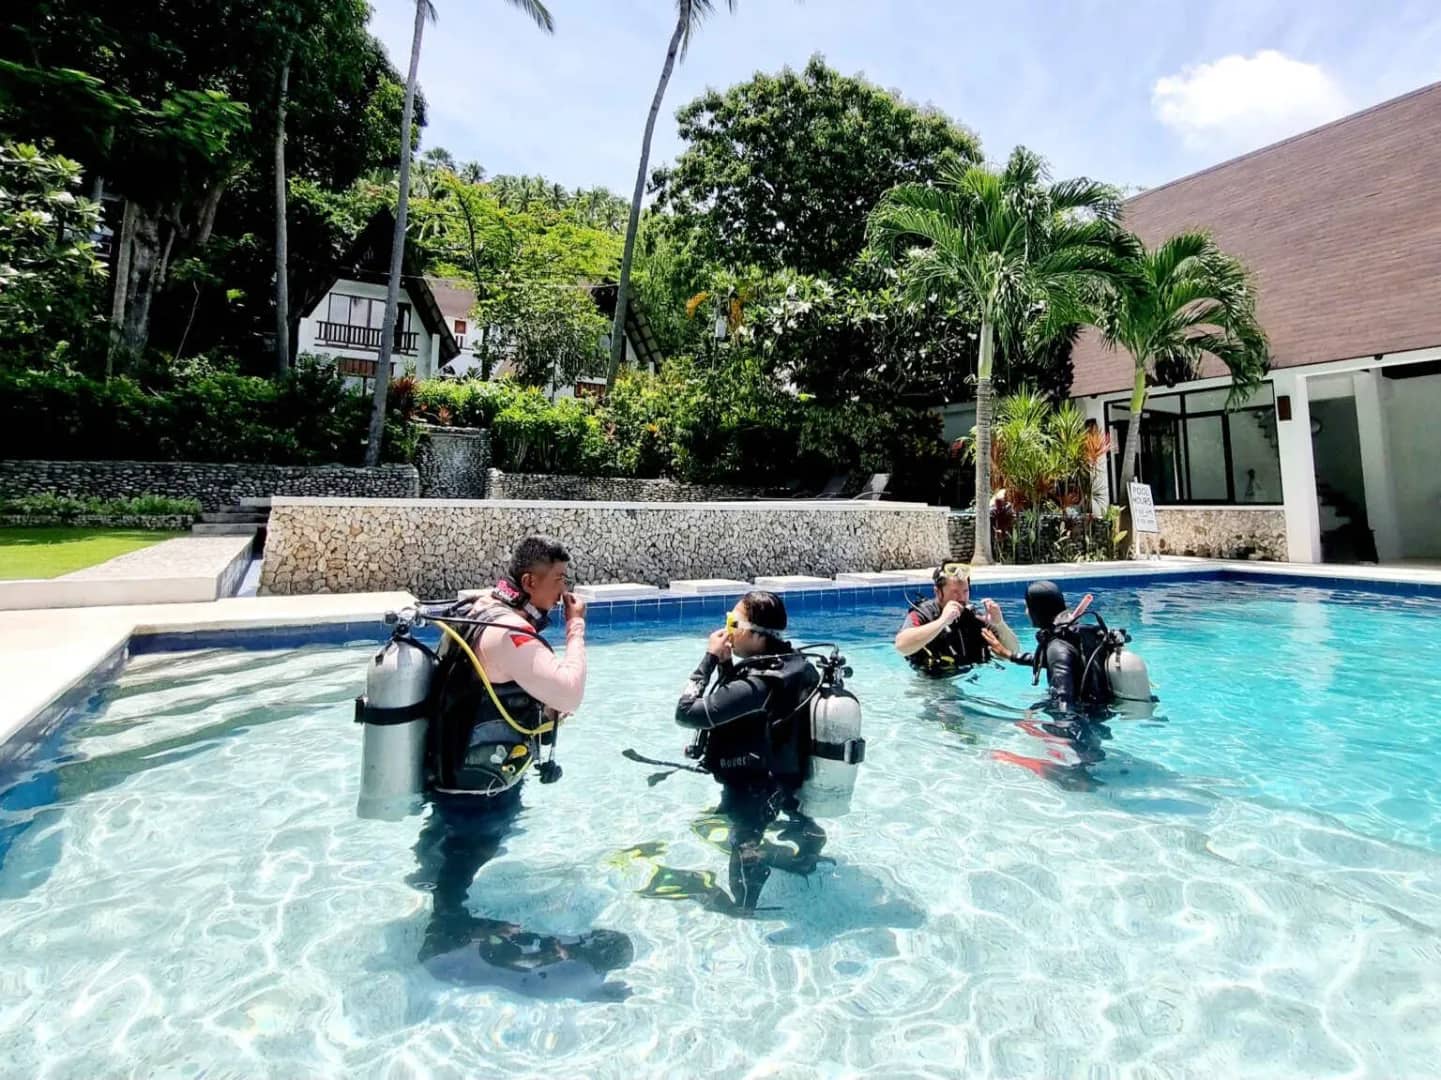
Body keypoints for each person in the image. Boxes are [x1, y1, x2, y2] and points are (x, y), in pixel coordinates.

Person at [408, 537, 632, 995]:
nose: (563, 591)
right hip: (478, 783)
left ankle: (442, 904)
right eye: (557, 582)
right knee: (471, 848)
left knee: (455, 844)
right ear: (529, 582)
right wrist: (575, 629)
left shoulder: (480, 605)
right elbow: (569, 692)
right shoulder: (511, 633)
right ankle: (444, 934)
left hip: (451, 766)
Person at [671, 591, 827, 912]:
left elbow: (686, 712)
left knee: (744, 839)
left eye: (733, 622)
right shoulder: (793, 665)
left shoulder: (758, 684)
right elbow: (745, 706)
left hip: (755, 786)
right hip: (790, 776)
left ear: (756, 635)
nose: (726, 629)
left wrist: (709, 659)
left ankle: (743, 907)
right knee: (783, 814)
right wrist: (728, 664)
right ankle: (809, 847)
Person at [982, 580, 1108, 716]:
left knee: (1027, 717)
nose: (1026, 612)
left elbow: (1064, 701)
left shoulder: (1057, 646)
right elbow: (1052, 660)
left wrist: (1059, 733)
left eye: (1028, 607)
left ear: (1037, 611)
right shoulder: (1074, 634)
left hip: (1083, 718)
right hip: (1098, 707)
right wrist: (1008, 654)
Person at [894, 562, 1019, 677]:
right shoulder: (924, 614)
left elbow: (1013, 652)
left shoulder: (974, 617)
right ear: (938, 592)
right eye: (955, 592)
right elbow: (901, 646)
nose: (961, 598)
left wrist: (999, 623)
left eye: (965, 591)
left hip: (971, 677)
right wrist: (942, 621)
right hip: (933, 682)